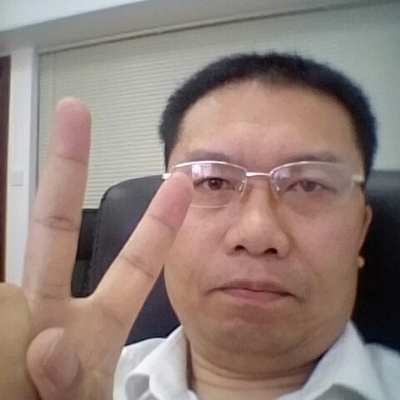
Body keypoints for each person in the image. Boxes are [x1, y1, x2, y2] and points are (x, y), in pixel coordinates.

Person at [0, 52, 399, 400]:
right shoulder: (75, 383)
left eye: (310, 184)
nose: (257, 233)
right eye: (213, 181)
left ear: (361, 231)